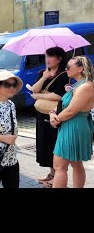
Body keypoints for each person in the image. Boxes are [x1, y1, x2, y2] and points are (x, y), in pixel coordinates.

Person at [51, 56, 94, 189]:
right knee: (75, 163)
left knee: (59, 165)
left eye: (68, 67)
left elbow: (71, 111)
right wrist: (52, 113)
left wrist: (55, 119)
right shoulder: (78, 85)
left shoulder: (86, 86)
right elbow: (62, 105)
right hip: (72, 124)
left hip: (74, 125)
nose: (66, 69)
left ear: (80, 69)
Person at [30, 47, 69, 188]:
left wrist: (39, 96)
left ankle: (56, 176)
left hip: (55, 114)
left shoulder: (65, 75)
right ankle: (51, 174)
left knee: (54, 144)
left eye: (51, 56)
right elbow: (34, 89)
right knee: (44, 144)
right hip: (41, 113)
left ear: (59, 58)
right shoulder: (43, 72)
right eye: (46, 56)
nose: (47, 59)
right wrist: (44, 77)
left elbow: (59, 96)